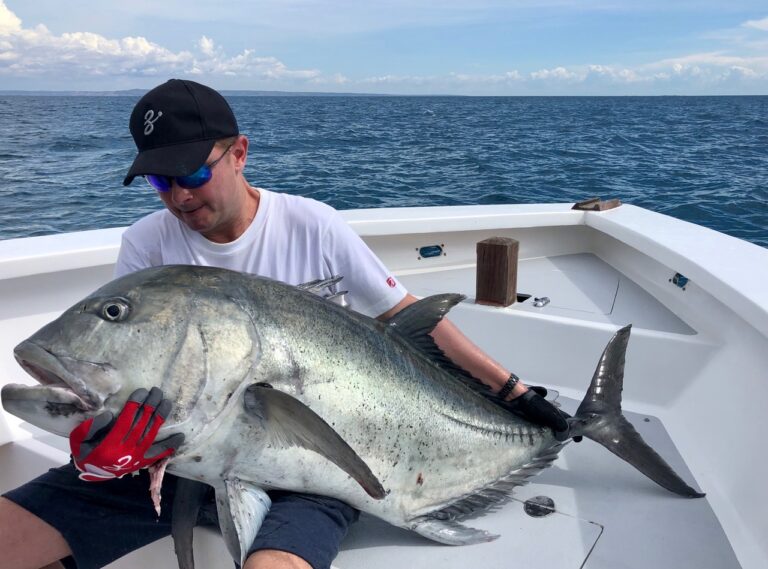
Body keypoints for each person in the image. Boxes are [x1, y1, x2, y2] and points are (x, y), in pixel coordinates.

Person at [0, 79, 570, 569]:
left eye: (193, 172)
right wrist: (102, 446)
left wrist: (517, 395)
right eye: (158, 181)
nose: (178, 196)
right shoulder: (147, 245)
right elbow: (130, 374)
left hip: (321, 468)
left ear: (240, 152)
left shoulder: (312, 227)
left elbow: (405, 317)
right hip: (176, 462)